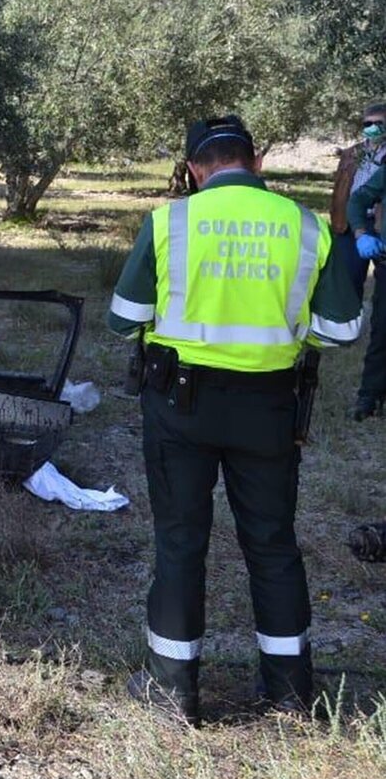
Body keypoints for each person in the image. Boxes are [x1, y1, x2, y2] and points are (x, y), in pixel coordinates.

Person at [108, 115, 362, 723]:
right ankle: (289, 694)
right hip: (269, 410)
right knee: (273, 545)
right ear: (256, 164)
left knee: (179, 544)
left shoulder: (170, 220)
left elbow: (124, 316)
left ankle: (172, 695)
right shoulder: (301, 226)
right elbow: (341, 328)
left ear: (196, 169)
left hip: (179, 405)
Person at [333, 103, 386, 418]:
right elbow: (355, 198)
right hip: (370, 242)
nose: (371, 128)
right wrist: (362, 233)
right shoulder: (356, 155)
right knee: (382, 331)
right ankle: (370, 396)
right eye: (368, 123)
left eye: (377, 123)